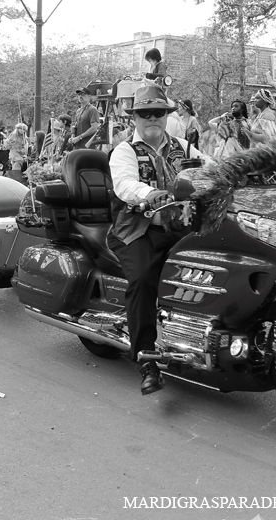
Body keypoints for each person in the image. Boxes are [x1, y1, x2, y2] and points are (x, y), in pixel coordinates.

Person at [107, 84, 207, 395]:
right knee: (142, 280)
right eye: (145, 113)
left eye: (159, 113)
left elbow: (214, 170)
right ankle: (146, 358)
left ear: (166, 116)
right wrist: (149, 194)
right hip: (138, 230)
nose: (152, 118)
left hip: (182, 228)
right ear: (134, 118)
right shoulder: (125, 151)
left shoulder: (185, 148)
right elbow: (125, 184)